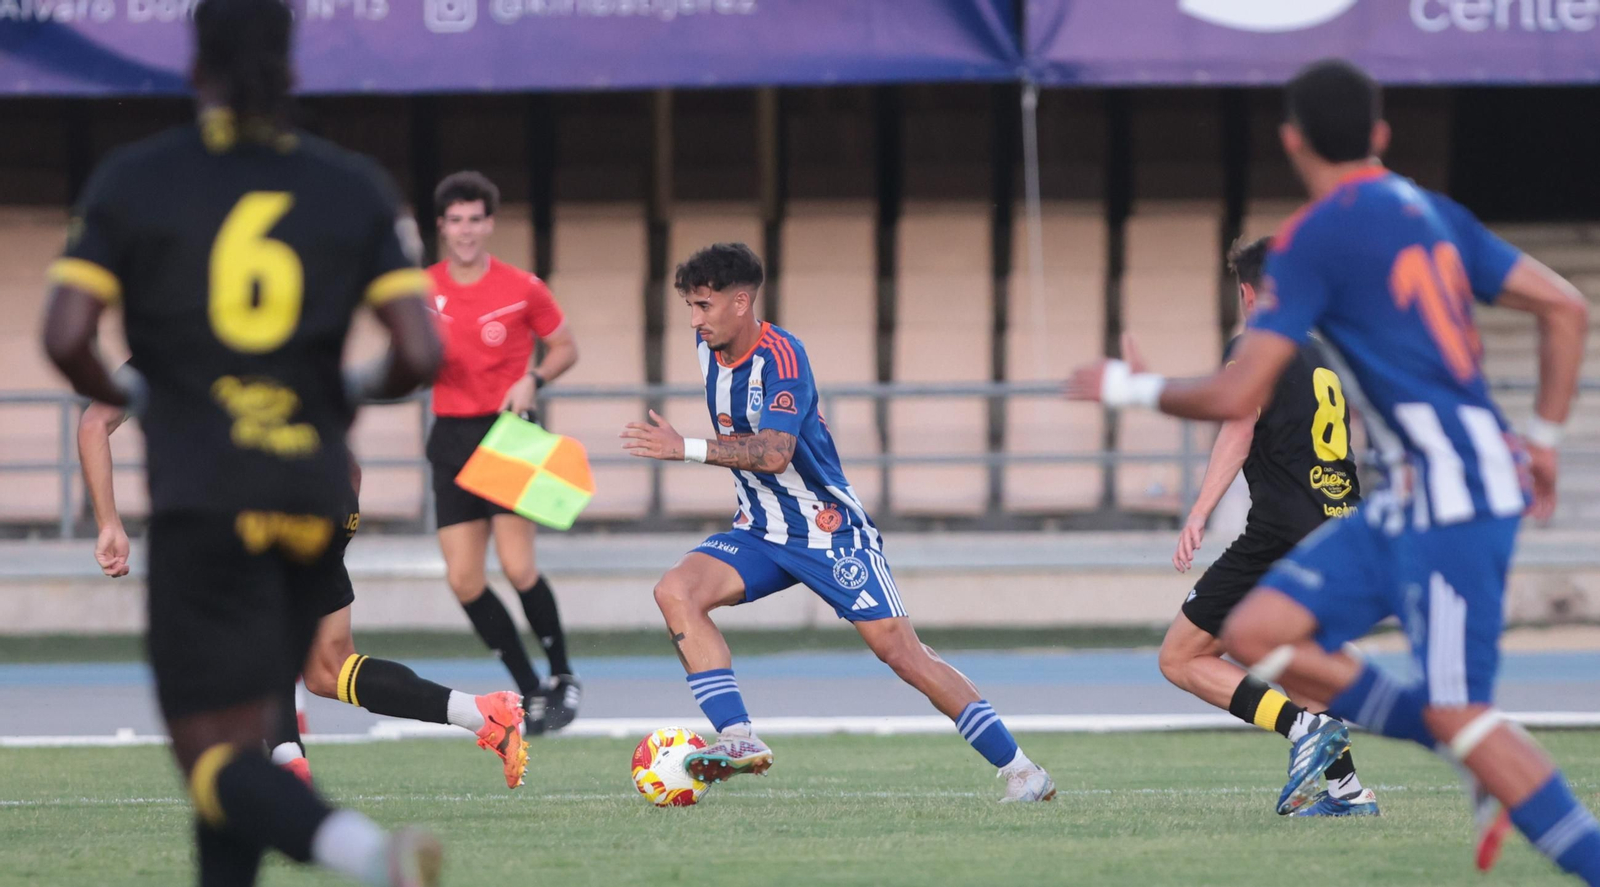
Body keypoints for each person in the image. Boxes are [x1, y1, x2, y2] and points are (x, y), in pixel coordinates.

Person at [1068, 59, 1599, 881]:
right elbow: (1567, 307)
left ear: (1291, 140)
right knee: (1255, 633)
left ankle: (1484, 757)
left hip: (1455, 497)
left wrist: (1128, 387)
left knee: (1456, 710)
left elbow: (1238, 392)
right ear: (1382, 134)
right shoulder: (1435, 212)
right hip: (1399, 498)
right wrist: (1544, 438)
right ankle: (1447, 738)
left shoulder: (1318, 235)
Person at [40, 1, 445, 883]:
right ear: (291, 70)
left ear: (195, 69)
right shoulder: (352, 185)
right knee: (245, 737)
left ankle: (366, 852)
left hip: (204, 499)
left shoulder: (135, 179)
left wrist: (139, 390)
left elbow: (66, 334)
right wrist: (345, 390)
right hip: (311, 501)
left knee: (210, 755)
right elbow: (419, 351)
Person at [621, 243, 1055, 802]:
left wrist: (686, 449)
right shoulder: (707, 347)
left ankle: (1022, 770)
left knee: (902, 654)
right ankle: (738, 738)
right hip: (758, 529)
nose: (693, 319)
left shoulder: (784, 357)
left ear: (741, 301)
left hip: (827, 530)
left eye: (703, 305)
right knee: (675, 591)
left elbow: (777, 453)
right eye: (689, 306)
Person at [77, 401, 530, 791]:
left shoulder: (170, 340)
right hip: (330, 498)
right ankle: (483, 714)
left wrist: (109, 523)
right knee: (328, 669)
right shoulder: (278, 326)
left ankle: (288, 769)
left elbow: (94, 422)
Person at [1155, 236, 1376, 816]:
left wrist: (1199, 511)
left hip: (1282, 533)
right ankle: (1347, 792)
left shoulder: (1256, 343)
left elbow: (1238, 427)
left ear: (1249, 293)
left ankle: (1302, 729)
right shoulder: (1320, 352)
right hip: (1338, 530)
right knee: (1283, 652)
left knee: (1180, 657)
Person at [425, 171, 581, 734]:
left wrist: (533, 377)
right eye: (455, 220)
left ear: (489, 224)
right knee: (464, 580)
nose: (466, 231)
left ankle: (563, 675)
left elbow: (566, 346)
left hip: (508, 435)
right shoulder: (420, 287)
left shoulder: (522, 287)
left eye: (475, 219)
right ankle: (529, 687)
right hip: (450, 437)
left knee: (518, 567)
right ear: (442, 227)